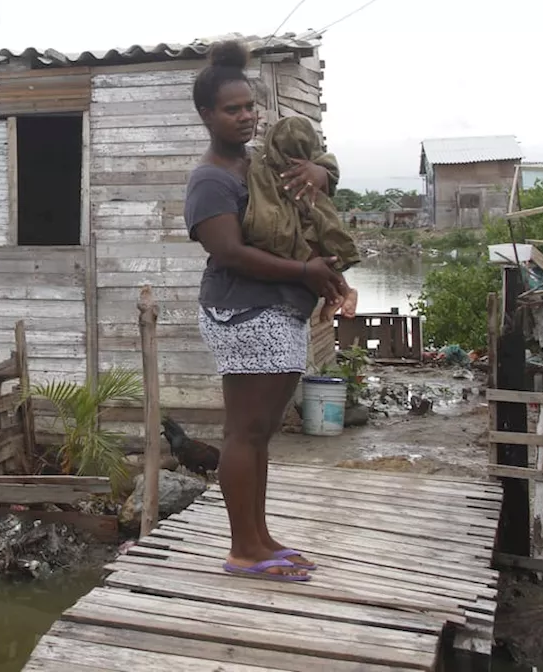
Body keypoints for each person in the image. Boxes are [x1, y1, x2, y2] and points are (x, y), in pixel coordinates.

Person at [184, 40, 349, 582]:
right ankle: (243, 550)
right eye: (232, 109)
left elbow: (311, 172)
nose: (246, 117)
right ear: (207, 115)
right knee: (244, 432)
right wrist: (306, 274)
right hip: (244, 312)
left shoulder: (253, 165)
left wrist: (322, 174)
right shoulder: (213, 177)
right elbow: (228, 251)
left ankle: (258, 536)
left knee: (259, 433)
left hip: (273, 310)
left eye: (250, 107)